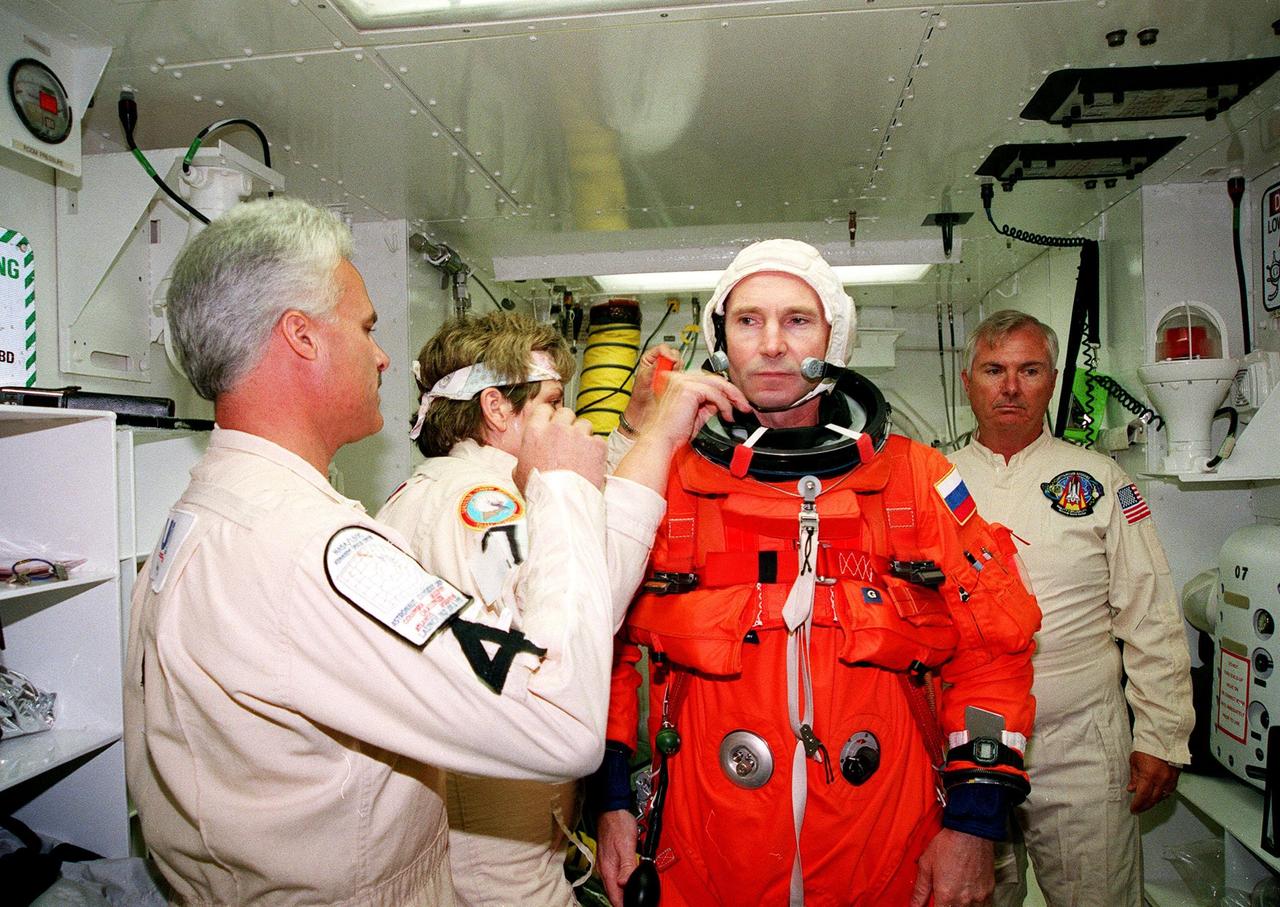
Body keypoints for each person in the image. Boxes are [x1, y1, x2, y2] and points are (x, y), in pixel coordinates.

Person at [123, 197, 658, 906]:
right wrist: (563, 490)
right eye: (366, 326)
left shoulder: (215, 514)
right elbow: (558, 722)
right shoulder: (306, 550)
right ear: (301, 336)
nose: (381, 355)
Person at [592, 239, 1041, 907]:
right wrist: (611, 801)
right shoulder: (670, 485)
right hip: (709, 850)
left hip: (888, 848)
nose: (772, 344)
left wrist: (974, 823)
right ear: (721, 339)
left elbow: (993, 654)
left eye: (797, 320)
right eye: (748, 320)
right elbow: (601, 650)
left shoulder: (915, 481)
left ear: (836, 337)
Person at [377, 313, 745, 907]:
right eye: (552, 403)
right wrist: (658, 439)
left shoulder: (438, 488)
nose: (569, 417)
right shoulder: (483, 506)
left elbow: (577, 524)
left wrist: (634, 428)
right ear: (497, 409)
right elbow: (586, 604)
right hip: (497, 860)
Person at [949, 309, 1194, 907]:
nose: (1011, 387)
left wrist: (1163, 736)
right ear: (967, 380)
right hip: (962, 741)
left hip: (1080, 739)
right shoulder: (932, 482)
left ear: (1053, 380)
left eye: (1029, 370)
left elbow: (1151, 613)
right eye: (994, 370)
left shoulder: (1100, 480)